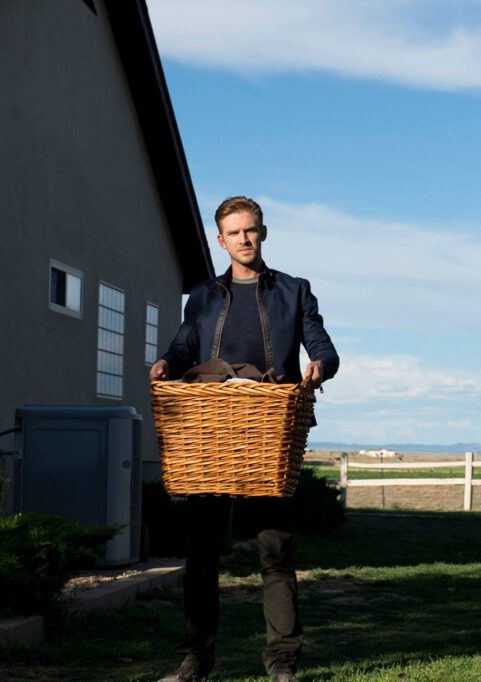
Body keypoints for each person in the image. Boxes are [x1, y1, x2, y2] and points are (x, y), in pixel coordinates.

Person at [152, 196, 339, 682]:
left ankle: (282, 665)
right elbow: (182, 345)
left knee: (275, 554)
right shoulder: (203, 297)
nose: (244, 239)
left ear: (264, 232)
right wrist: (167, 365)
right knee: (201, 556)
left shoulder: (294, 291)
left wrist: (320, 366)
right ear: (221, 240)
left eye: (251, 230)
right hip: (210, 436)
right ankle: (196, 661)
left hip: (266, 436)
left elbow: (321, 345)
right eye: (234, 232)